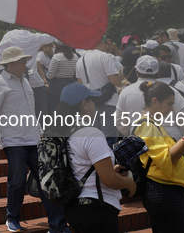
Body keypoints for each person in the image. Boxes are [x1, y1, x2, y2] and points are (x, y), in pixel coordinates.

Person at [0, 46, 70, 233]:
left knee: (45, 181)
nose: (25, 63)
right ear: (10, 64)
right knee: (17, 181)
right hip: (13, 141)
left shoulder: (25, 81)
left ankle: (58, 226)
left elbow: (30, 111)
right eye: (22, 61)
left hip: (33, 138)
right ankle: (12, 217)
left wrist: (39, 131)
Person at [58, 83, 137, 233]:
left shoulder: (62, 132)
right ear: (84, 104)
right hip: (96, 206)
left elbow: (80, 167)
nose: (95, 104)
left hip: (72, 206)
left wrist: (109, 169)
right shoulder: (91, 133)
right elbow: (109, 180)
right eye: (92, 101)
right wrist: (129, 183)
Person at [135, 81, 184, 233]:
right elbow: (167, 159)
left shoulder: (154, 124)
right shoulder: (146, 125)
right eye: (169, 104)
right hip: (164, 191)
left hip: (173, 190)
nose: (171, 109)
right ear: (155, 101)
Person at [75, 34, 124, 148]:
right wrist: (120, 76)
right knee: (110, 139)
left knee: (96, 139)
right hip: (108, 102)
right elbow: (115, 81)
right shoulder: (105, 57)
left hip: (90, 104)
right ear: (102, 43)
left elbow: (80, 83)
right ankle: (110, 164)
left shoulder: (80, 60)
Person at [0, 28, 56, 118]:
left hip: (14, 74)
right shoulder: (35, 38)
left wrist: (5, 70)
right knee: (36, 111)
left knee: (19, 109)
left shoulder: (10, 35)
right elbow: (52, 36)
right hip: (31, 77)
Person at [46, 40, 78, 112]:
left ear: (57, 46)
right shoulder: (75, 56)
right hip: (71, 83)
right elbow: (76, 73)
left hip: (57, 86)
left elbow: (50, 76)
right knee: (70, 108)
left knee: (58, 109)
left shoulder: (56, 57)